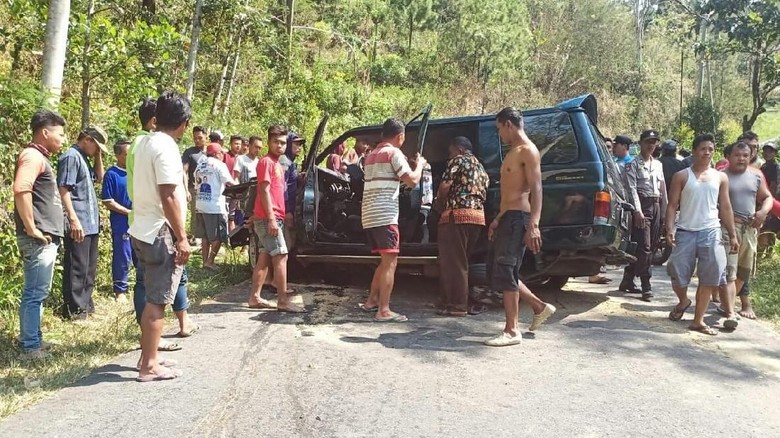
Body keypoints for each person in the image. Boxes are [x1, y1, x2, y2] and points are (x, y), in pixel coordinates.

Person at [129, 91, 192, 382]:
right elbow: (168, 195)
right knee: (157, 302)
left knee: (151, 296)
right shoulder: (166, 148)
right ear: (184, 123)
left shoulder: (143, 142)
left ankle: (147, 355)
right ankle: (149, 366)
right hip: (159, 231)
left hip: (141, 227)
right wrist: (181, 237)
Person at [484, 107, 556, 347]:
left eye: (499, 130)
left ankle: (512, 330)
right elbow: (510, 194)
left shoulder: (528, 151)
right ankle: (539, 307)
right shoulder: (513, 152)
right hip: (508, 217)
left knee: (506, 270)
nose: (500, 135)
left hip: (519, 219)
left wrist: (534, 225)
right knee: (502, 270)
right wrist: (498, 218)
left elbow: (536, 189)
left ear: (508, 125)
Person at [666, 133, 738, 336]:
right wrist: (669, 228)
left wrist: (732, 234)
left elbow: (725, 207)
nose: (707, 153)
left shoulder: (720, 177)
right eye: (703, 149)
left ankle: (698, 321)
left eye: (711, 149)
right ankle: (683, 301)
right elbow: (672, 205)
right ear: (695, 150)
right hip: (686, 231)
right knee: (677, 274)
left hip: (711, 231)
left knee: (710, 277)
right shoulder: (681, 176)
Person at [358, 119, 427, 322]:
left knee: (384, 261)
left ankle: (371, 301)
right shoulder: (394, 153)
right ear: (400, 136)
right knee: (391, 263)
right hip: (385, 214)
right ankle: (384, 310)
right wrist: (420, 166)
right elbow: (412, 181)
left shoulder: (371, 155)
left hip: (370, 214)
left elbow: (391, 176)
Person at [13, 110, 67, 360]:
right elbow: (21, 189)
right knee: (34, 292)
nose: (62, 139)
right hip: (37, 239)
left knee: (38, 291)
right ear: (45, 133)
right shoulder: (33, 156)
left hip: (44, 237)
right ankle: (29, 347)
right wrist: (32, 227)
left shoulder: (39, 156)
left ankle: (33, 338)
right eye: (60, 133)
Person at [247, 125, 305, 313]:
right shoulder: (266, 163)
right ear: (269, 142)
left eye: (283, 143)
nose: (280, 146)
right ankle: (282, 301)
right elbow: (263, 191)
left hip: (274, 216)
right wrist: (271, 219)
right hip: (268, 218)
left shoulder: (279, 163)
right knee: (281, 255)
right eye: (276, 142)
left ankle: (255, 297)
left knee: (264, 257)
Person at [717, 141, 772, 325]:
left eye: (745, 156)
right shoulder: (720, 176)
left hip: (750, 229)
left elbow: (767, 198)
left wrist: (763, 212)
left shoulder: (755, 177)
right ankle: (730, 312)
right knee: (729, 271)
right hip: (727, 228)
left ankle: (726, 303)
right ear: (729, 156)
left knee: (744, 271)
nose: (741, 159)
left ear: (750, 157)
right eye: (737, 155)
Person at [57, 125, 107, 320]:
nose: (97, 151)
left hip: (91, 222)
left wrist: (98, 155)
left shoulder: (84, 158)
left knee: (88, 267)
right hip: (79, 220)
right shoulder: (71, 156)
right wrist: (73, 219)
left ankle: (86, 305)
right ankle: (74, 311)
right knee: (76, 267)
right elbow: (64, 189)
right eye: (96, 146)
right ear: (87, 139)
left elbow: (99, 178)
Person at [436, 136, 489, 317]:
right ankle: (450, 302)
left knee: (454, 264)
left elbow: (445, 186)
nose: (449, 156)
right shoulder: (480, 166)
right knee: (462, 261)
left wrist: (439, 203)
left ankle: (457, 306)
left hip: (457, 215)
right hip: (477, 217)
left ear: (458, 149)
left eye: (450, 152)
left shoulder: (458, 160)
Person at [619, 130, 667, 301]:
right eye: (648, 142)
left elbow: (662, 189)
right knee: (645, 246)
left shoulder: (658, 165)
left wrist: (665, 212)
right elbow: (631, 189)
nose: (651, 145)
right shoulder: (632, 164)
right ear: (640, 143)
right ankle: (646, 285)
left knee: (652, 245)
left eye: (653, 142)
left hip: (656, 205)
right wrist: (637, 211)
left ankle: (628, 278)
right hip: (642, 205)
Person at [195, 143, 236, 269]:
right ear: (217, 153)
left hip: (200, 203)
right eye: (221, 153)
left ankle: (204, 262)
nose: (223, 155)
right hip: (214, 206)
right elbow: (229, 183)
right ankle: (210, 261)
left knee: (205, 236)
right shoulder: (219, 165)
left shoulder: (200, 164)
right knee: (218, 236)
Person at [101, 139, 133, 302]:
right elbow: (108, 200)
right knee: (123, 254)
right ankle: (120, 290)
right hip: (121, 221)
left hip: (139, 220)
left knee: (139, 253)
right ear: (118, 155)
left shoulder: (135, 172)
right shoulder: (112, 174)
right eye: (127, 154)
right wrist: (128, 212)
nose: (130, 158)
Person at [182, 126, 209, 244]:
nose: (197, 140)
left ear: (206, 136)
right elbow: (184, 171)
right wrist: (186, 190)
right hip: (194, 188)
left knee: (208, 213)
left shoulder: (211, 152)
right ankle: (195, 236)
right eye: (195, 138)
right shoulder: (189, 152)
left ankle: (207, 237)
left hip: (209, 188)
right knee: (195, 213)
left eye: (200, 138)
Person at [225, 135, 243, 232]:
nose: (237, 146)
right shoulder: (225, 156)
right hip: (226, 189)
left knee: (232, 215)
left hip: (238, 190)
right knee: (224, 213)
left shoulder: (241, 158)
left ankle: (231, 237)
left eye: (239, 144)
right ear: (230, 144)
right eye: (235, 144)